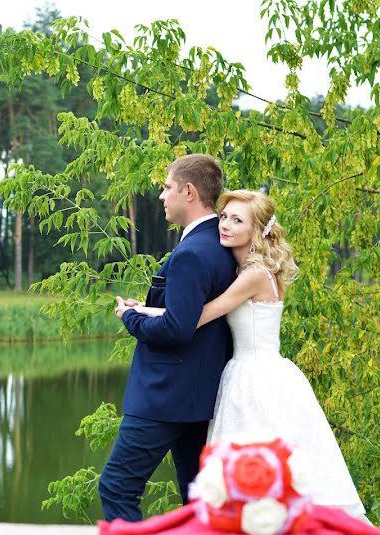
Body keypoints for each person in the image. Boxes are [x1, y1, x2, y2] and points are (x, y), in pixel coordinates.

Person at [133, 189, 366, 517]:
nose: (224, 225)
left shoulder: (254, 275)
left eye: (236, 220)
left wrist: (140, 315)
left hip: (256, 379)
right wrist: (145, 308)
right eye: (224, 216)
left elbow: (198, 316)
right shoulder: (255, 270)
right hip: (261, 372)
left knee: (261, 463)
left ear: (256, 231)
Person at [99, 154, 237, 522]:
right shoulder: (220, 247)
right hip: (199, 395)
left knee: (116, 487)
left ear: (188, 192)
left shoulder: (191, 253)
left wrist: (129, 317)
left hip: (166, 394)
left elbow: (178, 329)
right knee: (197, 498)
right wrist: (147, 308)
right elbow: (191, 314)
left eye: (166, 187)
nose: (161, 196)